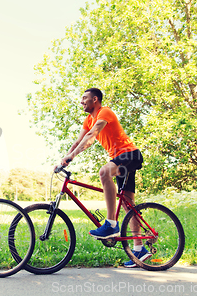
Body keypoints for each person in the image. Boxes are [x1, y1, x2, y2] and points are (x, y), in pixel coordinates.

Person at [59, 88, 149, 268]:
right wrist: (64, 159)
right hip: (121, 159)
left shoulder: (104, 112)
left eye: (84, 98)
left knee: (104, 172)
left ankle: (111, 224)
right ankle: (139, 249)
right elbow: (78, 141)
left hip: (129, 155)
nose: (81, 101)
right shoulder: (88, 119)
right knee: (127, 204)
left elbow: (92, 136)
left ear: (95, 99)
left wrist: (73, 156)